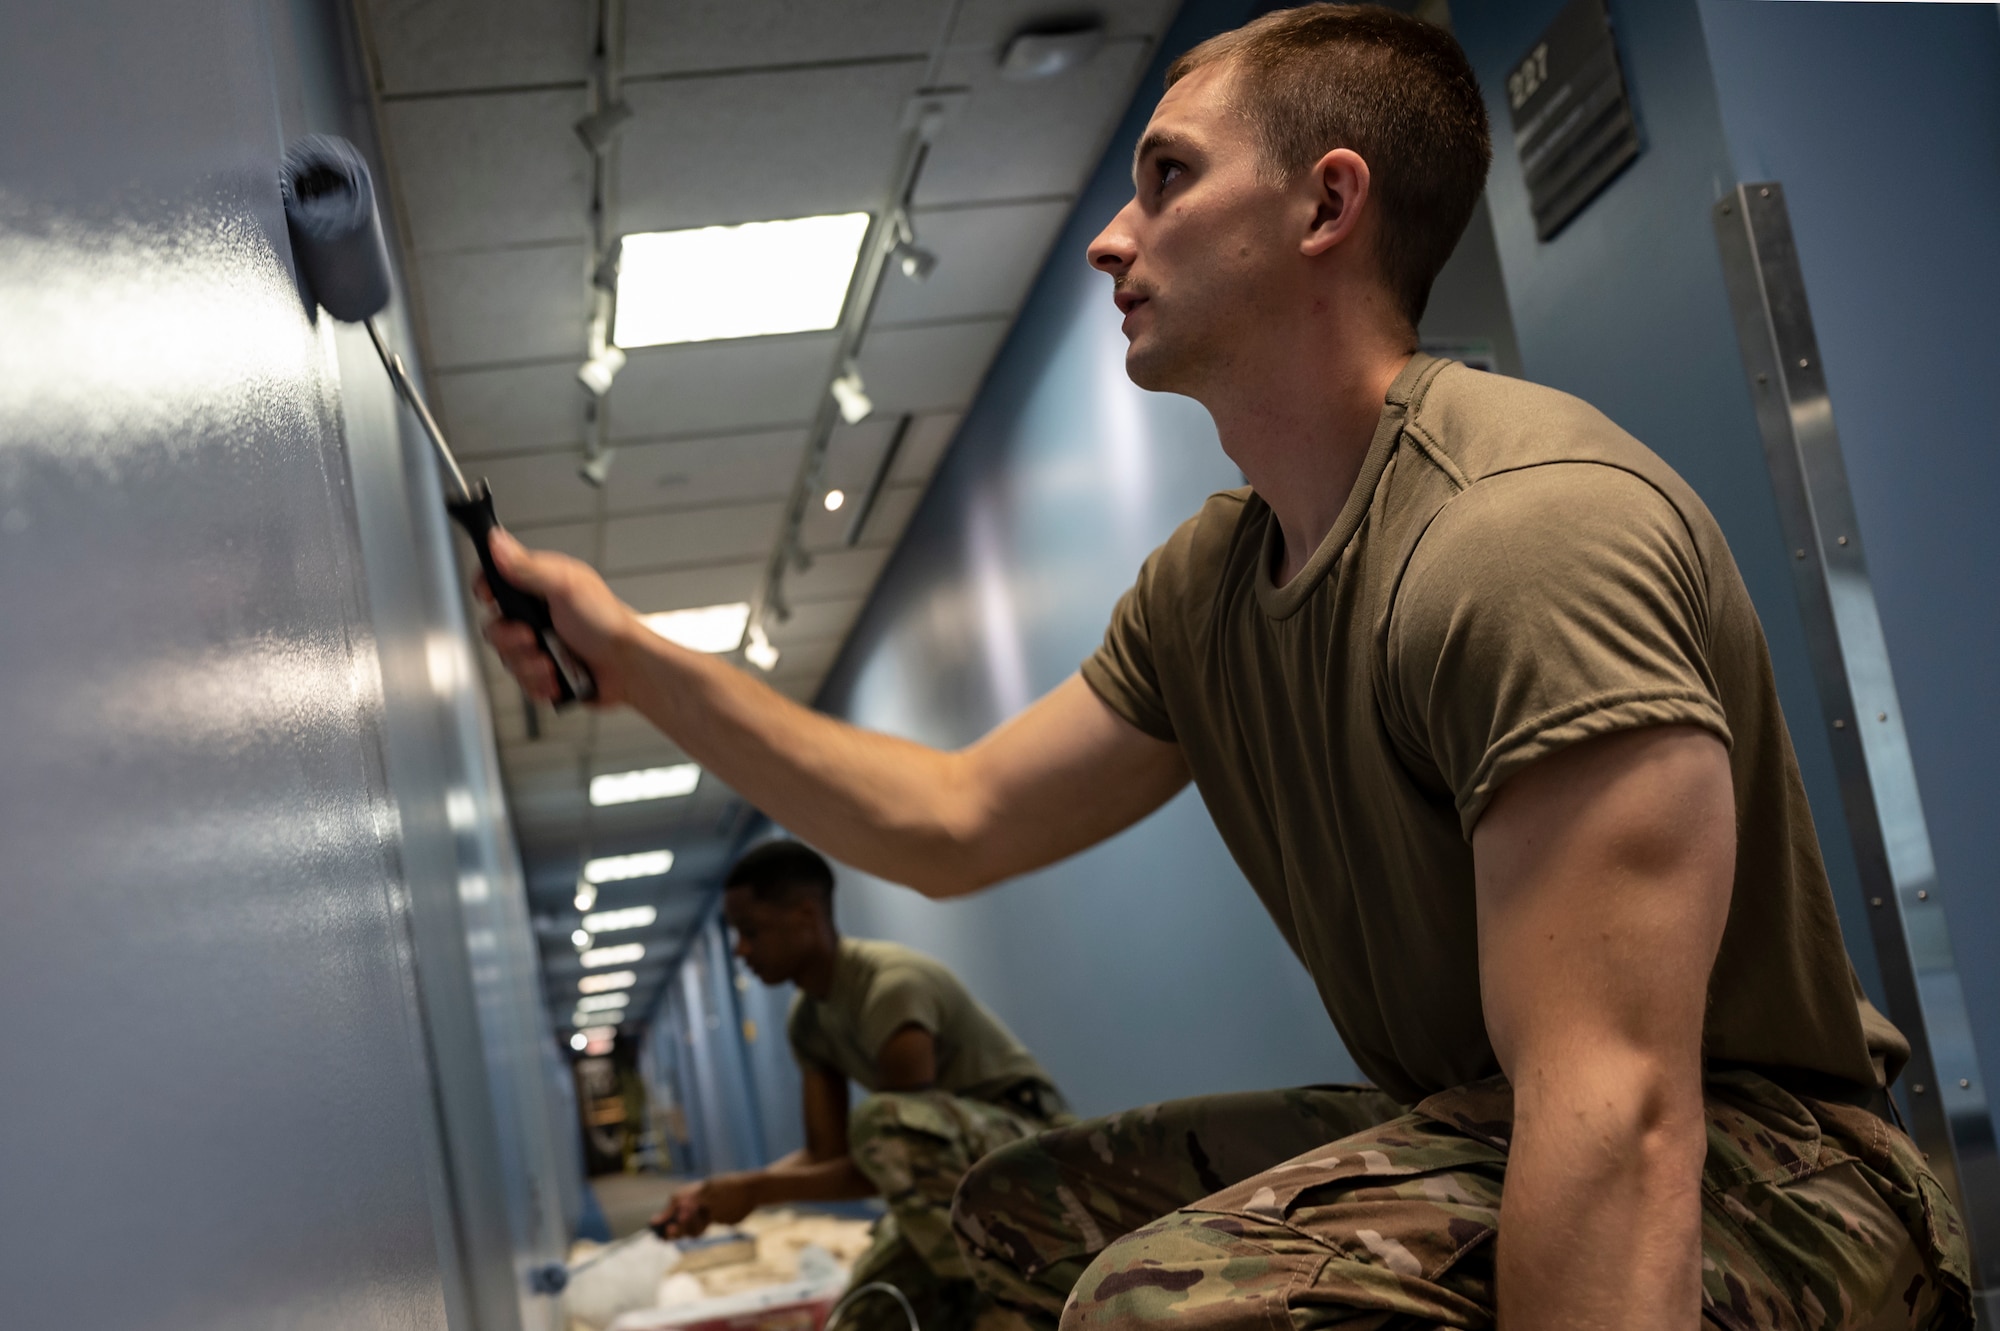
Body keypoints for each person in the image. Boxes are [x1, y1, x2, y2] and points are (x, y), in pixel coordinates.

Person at [483, 5, 1969, 1326]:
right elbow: (944, 820)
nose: (1109, 237)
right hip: (1491, 1118)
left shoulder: (1522, 537)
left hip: (1781, 1167)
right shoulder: (1207, 587)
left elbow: (1627, 1115)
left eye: (1168, 178)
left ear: (1328, 204)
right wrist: (625, 653)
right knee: (1001, 1224)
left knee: (1154, 1297)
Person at [650, 839, 1071, 1331]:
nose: (742, 951)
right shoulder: (808, 1021)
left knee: (878, 1121)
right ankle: (972, 1287)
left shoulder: (891, 988)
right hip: (955, 1178)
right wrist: (717, 1194)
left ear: (806, 915)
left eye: (751, 932)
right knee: (859, 1319)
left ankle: (1005, 1298)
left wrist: (757, 1190)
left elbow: (893, 1151)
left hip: (1038, 1155)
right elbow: (825, 1155)